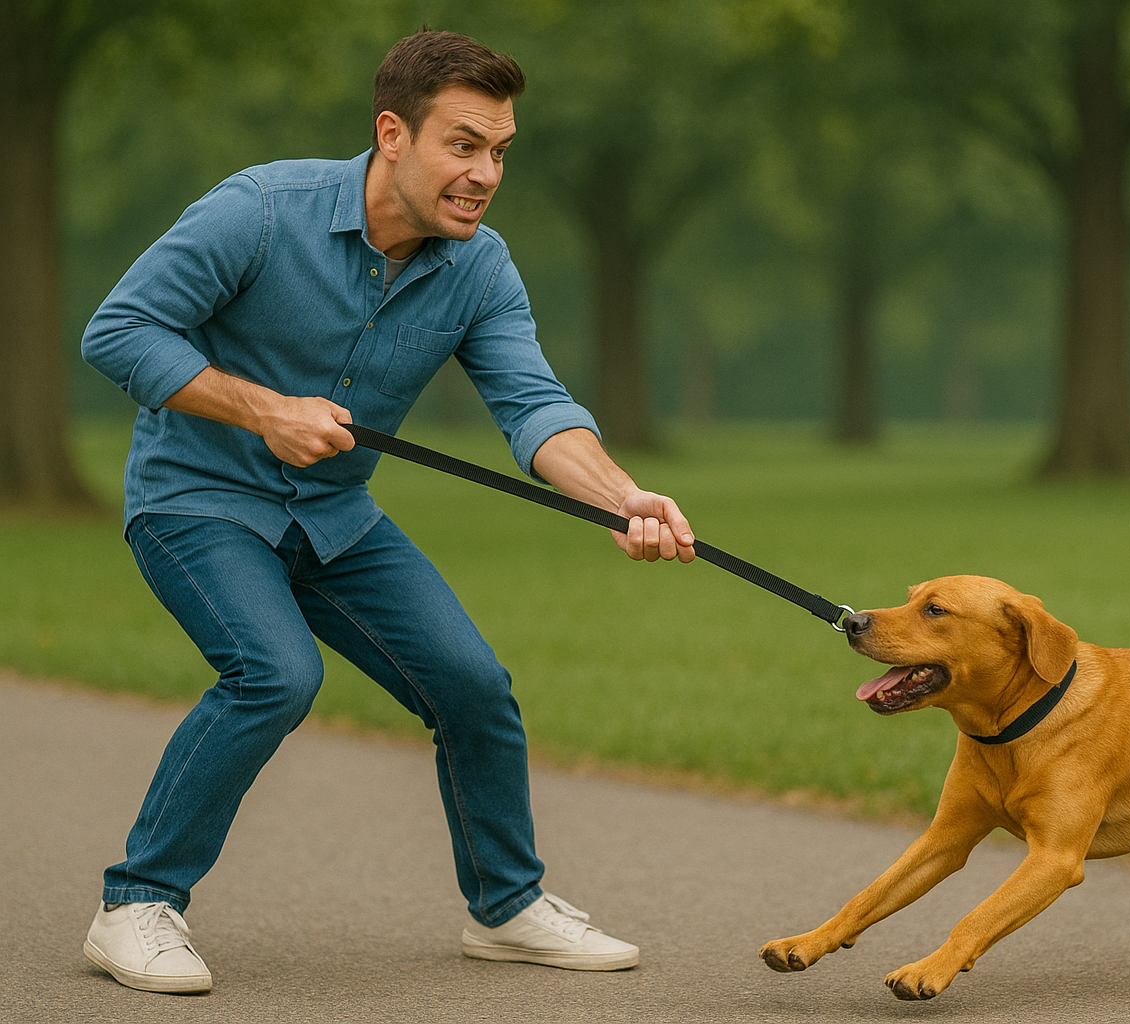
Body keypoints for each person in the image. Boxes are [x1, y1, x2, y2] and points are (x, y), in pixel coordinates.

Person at [78, 29, 693, 995]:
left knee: (473, 687)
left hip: (334, 515)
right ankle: (136, 906)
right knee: (274, 674)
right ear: (392, 134)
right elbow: (118, 329)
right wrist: (263, 408)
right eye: (464, 145)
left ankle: (506, 907)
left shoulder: (480, 268)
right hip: (197, 501)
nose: (486, 173)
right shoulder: (262, 211)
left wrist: (623, 499)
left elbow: (532, 407)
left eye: (500, 151)